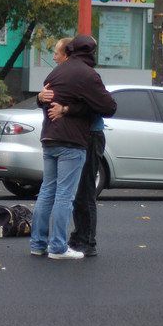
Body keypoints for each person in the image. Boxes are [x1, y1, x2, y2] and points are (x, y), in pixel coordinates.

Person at [31, 35, 116, 260]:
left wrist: (60, 107)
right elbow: (108, 106)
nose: (54, 57)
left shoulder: (56, 74)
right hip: (77, 138)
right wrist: (55, 104)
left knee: (48, 191)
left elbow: (51, 100)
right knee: (73, 193)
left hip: (50, 137)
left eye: (57, 53)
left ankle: (39, 243)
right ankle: (72, 244)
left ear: (69, 52)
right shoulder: (86, 75)